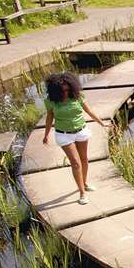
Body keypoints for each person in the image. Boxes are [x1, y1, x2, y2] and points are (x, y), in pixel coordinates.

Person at [40, 72, 106, 206]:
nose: (66, 89)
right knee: (75, 163)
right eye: (62, 87)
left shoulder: (77, 96)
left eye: (67, 86)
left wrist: (101, 122)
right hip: (63, 134)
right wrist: (46, 134)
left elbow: (89, 111)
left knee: (84, 160)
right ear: (55, 88)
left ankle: (85, 182)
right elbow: (49, 118)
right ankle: (82, 193)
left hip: (81, 131)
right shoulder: (51, 101)